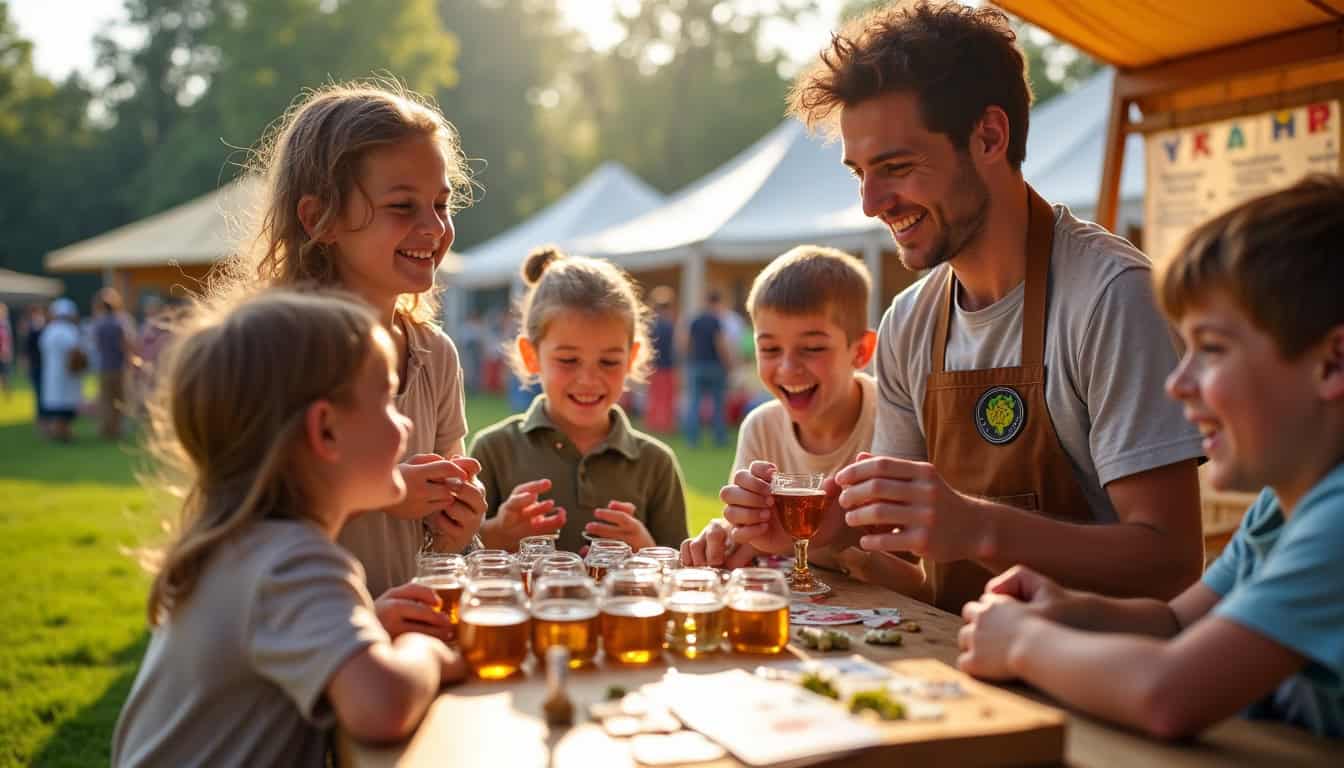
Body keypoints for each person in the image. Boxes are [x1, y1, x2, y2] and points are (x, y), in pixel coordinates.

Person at [722, 2, 1204, 613]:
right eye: (860, 173)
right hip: (960, 676)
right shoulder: (910, 321)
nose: (871, 203)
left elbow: (1171, 562)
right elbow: (889, 533)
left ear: (989, 137)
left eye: (896, 167)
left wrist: (980, 528)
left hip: (1095, 683)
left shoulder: (1110, 294)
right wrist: (794, 527)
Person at [958, 175, 1344, 739]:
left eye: (1211, 350)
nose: (1178, 383)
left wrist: (1021, 642)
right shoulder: (1279, 509)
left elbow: (1167, 693)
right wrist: (1066, 610)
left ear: (1332, 364)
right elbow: (1176, 621)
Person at [111, 290, 465, 767]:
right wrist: (427, 652)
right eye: (386, 400)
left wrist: (370, 626)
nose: (405, 424)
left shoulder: (248, 545)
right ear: (325, 431)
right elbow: (382, 707)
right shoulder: (293, 559)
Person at [209, 80, 487, 597]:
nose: (434, 227)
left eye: (442, 204)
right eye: (403, 206)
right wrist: (386, 492)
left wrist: (460, 524)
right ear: (320, 220)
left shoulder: (437, 356)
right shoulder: (275, 354)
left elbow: (437, 544)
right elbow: (244, 519)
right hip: (300, 643)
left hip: (402, 644)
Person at [685, 246, 902, 586]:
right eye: (770, 349)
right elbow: (748, 540)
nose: (788, 368)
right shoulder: (762, 426)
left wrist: (824, 539)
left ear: (860, 351)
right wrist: (728, 532)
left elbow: (920, 582)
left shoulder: (893, 422)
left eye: (813, 348)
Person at [471, 247, 689, 554]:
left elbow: (680, 577)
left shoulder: (656, 464)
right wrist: (496, 535)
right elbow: (458, 562)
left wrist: (646, 550)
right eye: (568, 360)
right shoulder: (494, 451)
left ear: (632, 358)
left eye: (609, 362)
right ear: (531, 355)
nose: (588, 379)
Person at [681, 289, 734, 447]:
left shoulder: (695, 320)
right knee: (718, 404)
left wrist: (689, 360)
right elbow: (720, 344)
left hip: (696, 365)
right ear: (717, 303)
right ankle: (720, 438)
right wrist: (728, 363)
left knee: (694, 404)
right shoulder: (716, 321)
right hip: (714, 366)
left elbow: (685, 344)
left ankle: (692, 439)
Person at [38, 298, 86, 442]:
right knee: (64, 407)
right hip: (67, 374)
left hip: (52, 374)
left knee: (56, 404)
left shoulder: (49, 330)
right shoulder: (69, 330)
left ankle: (58, 431)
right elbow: (75, 352)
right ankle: (61, 432)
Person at [91, 287, 134, 439]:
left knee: (105, 400)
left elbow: (96, 344)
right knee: (119, 400)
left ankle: (106, 429)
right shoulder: (119, 323)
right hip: (119, 367)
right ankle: (117, 429)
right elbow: (125, 345)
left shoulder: (99, 324)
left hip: (104, 367)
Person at [644, 285, 679, 433]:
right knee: (667, 398)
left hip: (654, 366)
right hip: (668, 365)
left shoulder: (651, 326)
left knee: (654, 398)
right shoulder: (671, 325)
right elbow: (677, 347)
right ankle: (666, 425)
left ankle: (652, 424)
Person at [23, 303, 47, 431]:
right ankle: (41, 422)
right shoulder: (33, 330)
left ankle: (44, 421)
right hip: (37, 366)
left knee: (42, 395)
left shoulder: (41, 329)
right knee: (39, 395)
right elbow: (27, 350)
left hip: (41, 367)